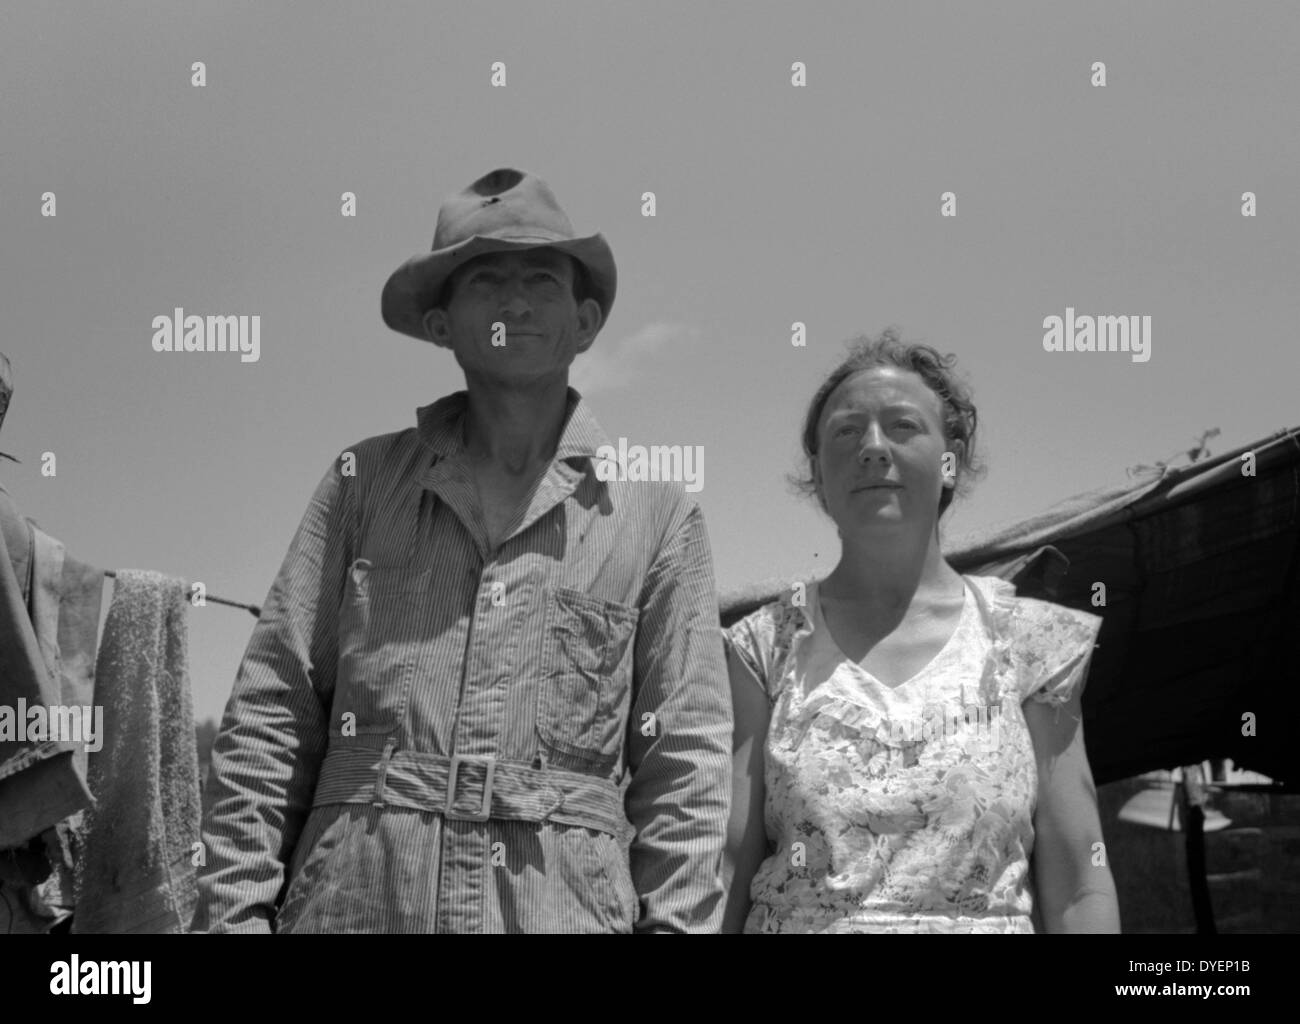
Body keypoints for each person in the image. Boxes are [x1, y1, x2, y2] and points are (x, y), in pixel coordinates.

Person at [192, 168, 732, 933]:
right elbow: (272, 710)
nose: (515, 300)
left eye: (541, 278)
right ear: (442, 324)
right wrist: (234, 918)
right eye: (485, 280)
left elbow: (686, 768)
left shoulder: (657, 516)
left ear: (584, 323)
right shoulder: (362, 481)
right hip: (354, 905)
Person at [722, 330, 1120, 933]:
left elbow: (1079, 881)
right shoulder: (764, 649)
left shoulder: (1030, 643)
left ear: (950, 458)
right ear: (817, 473)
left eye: (902, 426)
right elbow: (725, 870)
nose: (873, 448)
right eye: (847, 431)